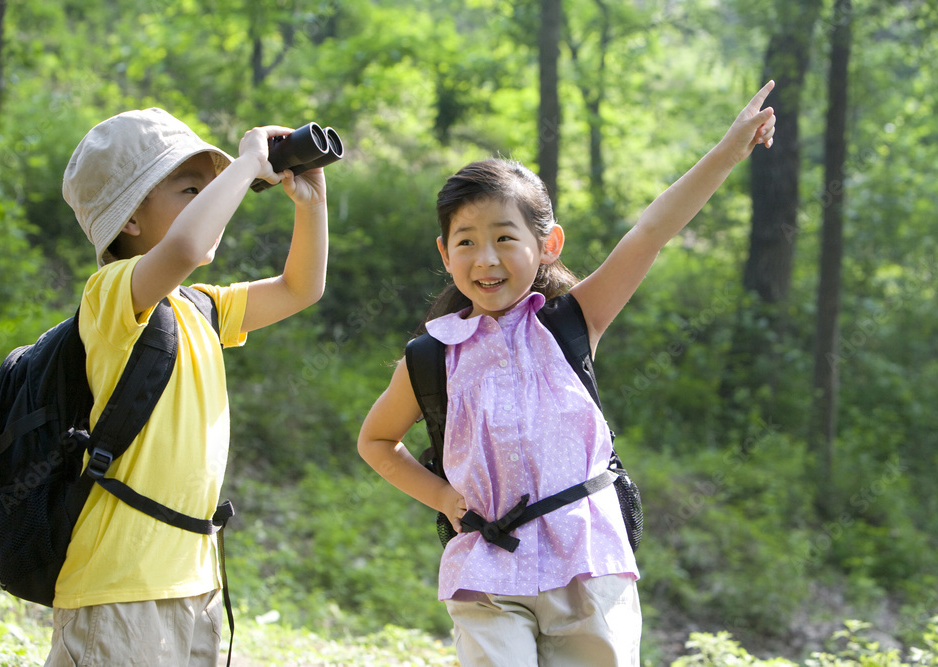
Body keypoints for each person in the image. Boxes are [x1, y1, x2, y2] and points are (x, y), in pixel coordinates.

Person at [357, 81, 777, 666]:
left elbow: (651, 233)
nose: (486, 259)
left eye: (506, 238)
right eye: (467, 242)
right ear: (443, 254)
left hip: (588, 560)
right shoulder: (431, 356)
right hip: (486, 567)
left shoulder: (571, 322)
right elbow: (377, 441)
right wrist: (445, 500)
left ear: (547, 244)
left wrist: (730, 151)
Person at [45, 108, 328, 666]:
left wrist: (311, 206)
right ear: (128, 220)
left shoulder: (199, 306)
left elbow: (301, 287)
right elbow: (185, 249)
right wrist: (246, 164)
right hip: (119, 585)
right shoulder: (111, 295)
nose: (211, 200)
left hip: (192, 581)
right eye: (190, 189)